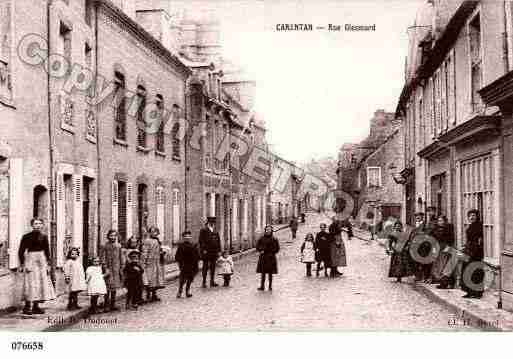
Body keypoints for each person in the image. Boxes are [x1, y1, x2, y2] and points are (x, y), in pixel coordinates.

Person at [18, 218, 56, 315]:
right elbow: (21, 251)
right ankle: (27, 307)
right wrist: (22, 264)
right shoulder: (26, 236)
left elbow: (47, 251)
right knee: (30, 283)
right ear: (32, 225)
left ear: (42, 225)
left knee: (40, 282)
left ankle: (36, 306)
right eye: (35, 224)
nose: (38, 225)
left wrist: (48, 264)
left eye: (40, 223)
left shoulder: (44, 237)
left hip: (41, 260)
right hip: (31, 259)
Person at [461, 209, 485, 299]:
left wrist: (475, 249)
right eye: (470, 216)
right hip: (469, 250)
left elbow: (480, 240)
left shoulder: (479, 226)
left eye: (473, 216)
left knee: (475, 272)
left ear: (477, 216)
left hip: (476, 252)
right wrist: (465, 247)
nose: (471, 217)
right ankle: (469, 291)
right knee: (467, 271)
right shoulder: (470, 226)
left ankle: (477, 292)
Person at [100, 229, 124, 312]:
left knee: (114, 288)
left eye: (114, 236)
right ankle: (106, 304)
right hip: (108, 269)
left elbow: (121, 258)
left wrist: (121, 267)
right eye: (111, 235)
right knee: (107, 287)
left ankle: (112, 304)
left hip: (116, 269)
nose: (112, 237)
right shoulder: (105, 246)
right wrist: (104, 267)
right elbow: (102, 257)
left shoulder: (119, 246)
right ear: (108, 236)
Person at [431, 215, 456, 289]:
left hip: (446, 248)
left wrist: (448, 247)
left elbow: (451, 239)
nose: (440, 222)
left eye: (441, 221)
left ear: (445, 221)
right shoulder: (436, 229)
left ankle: (447, 283)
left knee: (446, 265)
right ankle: (443, 282)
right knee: (440, 266)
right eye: (439, 221)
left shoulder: (448, 229)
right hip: (438, 248)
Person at [141, 226, 165, 302]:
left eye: (155, 232)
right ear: (149, 232)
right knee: (149, 279)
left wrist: (162, 253)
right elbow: (145, 251)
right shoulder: (147, 241)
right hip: (150, 262)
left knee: (156, 279)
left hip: (156, 262)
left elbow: (158, 250)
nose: (154, 233)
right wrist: (144, 261)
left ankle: (154, 294)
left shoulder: (157, 241)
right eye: (152, 232)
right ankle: (148, 294)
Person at [409, 212, 434, 282]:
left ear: (422, 217)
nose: (417, 218)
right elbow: (412, 235)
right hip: (415, 246)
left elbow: (428, 234)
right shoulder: (414, 225)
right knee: (415, 262)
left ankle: (425, 277)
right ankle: (418, 276)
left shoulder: (425, 225)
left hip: (423, 246)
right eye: (416, 216)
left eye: (419, 216)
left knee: (424, 261)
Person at [175, 231, 200, 298]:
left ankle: (187, 291)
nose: (187, 238)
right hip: (184, 264)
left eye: (189, 236)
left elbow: (197, 255)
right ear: (183, 238)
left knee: (190, 278)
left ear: (190, 237)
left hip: (192, 265)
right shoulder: (181, 246)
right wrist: (180, 264)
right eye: (185, 236)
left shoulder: (193, 245)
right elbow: (177, 256)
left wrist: (197, 262)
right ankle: (179, 291)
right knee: (182, 279)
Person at [199, 217, 221, 288]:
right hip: (206, 252)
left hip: (214, 252)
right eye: (211, 223)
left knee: (213, 267)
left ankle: (212, 281)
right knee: (205, 267)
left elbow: (218, 241)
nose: (212, 224)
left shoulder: (215, 231)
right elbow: (201, 241)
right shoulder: (203, 230)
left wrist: (219, 251)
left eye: (213, 223)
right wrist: (203, 249)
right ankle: (204, 282)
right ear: (208, 223)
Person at [256, 225, 280, 291]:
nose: (268, 231)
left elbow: (277, 248)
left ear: (271, 230)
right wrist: (261, 250)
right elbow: (257, 246)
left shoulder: (274, 239)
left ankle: (270, 286)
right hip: (263, 257)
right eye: (266, 229)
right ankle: (262, 286)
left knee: (270, 273)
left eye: (269, 229)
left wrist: (272, 252)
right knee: (263, 273)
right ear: (265, 230)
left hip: (271, 258)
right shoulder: (261, 238)